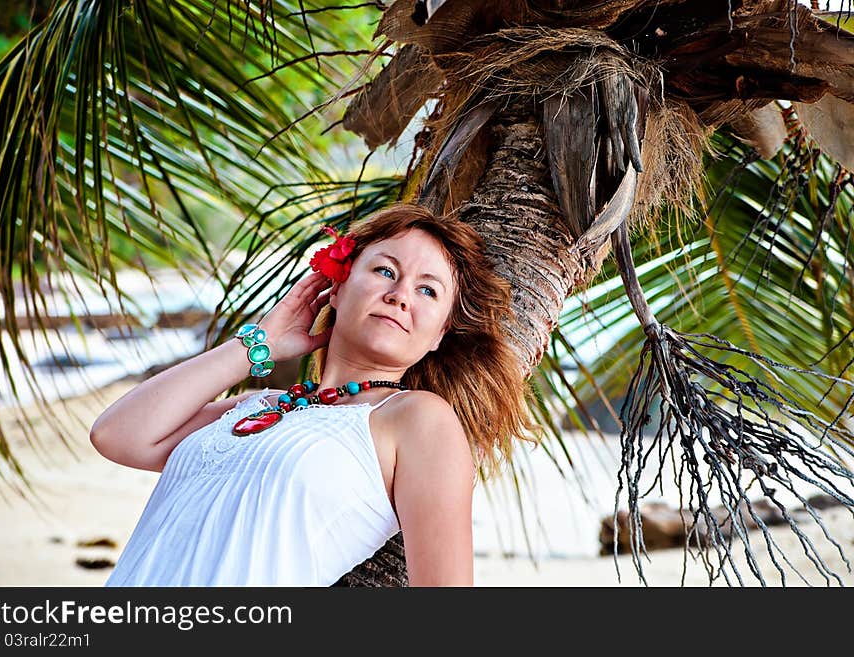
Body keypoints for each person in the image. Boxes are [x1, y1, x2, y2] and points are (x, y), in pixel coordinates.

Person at [90, 202, 540, 586]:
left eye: (427, 290)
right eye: (385, 270)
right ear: (337, 289)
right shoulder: (259, 404)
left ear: (440, 333)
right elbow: (117, 435)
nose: (401, 295)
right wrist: (257, 345)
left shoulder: (416, 420)